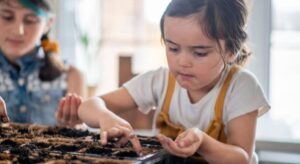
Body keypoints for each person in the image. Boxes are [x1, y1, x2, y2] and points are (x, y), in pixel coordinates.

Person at [66, 0, 270, 163]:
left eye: (199, 53)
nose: (182, 62)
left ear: (231, 51)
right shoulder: (160, 80)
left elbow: (241, 158)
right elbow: (88, 107)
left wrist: (202, 142)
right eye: (173, 48)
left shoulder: (241, 87)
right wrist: (105, 118)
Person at [0, 0, 86, 127]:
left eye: (30, 20)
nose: (18, 31)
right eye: (7, 17)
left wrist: (70, 126)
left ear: (48, 23)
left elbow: (79, 134)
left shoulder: (71, 76)